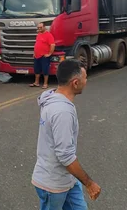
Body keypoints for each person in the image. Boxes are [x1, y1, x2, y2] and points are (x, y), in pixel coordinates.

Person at [32, 59, 101, 209]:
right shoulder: (62, 111)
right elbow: (65, 155)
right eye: (85, 77)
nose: (87, 81)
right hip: (53, 184)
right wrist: (89, 183)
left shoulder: (52, 98)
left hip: (68, 179)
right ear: (75, 83)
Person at [30, 23, 55, 89]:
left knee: (45, 70)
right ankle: (36, 82)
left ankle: (45, 84)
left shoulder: (48, 35)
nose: (39, 29)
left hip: (44, 56)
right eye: (38, 28)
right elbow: (37, 44)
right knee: (36, 69)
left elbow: (52, 45)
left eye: (40, 27)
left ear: (44, 27)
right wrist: (34, 53)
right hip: (37, 56)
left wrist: (49, 53)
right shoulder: (38, 34)